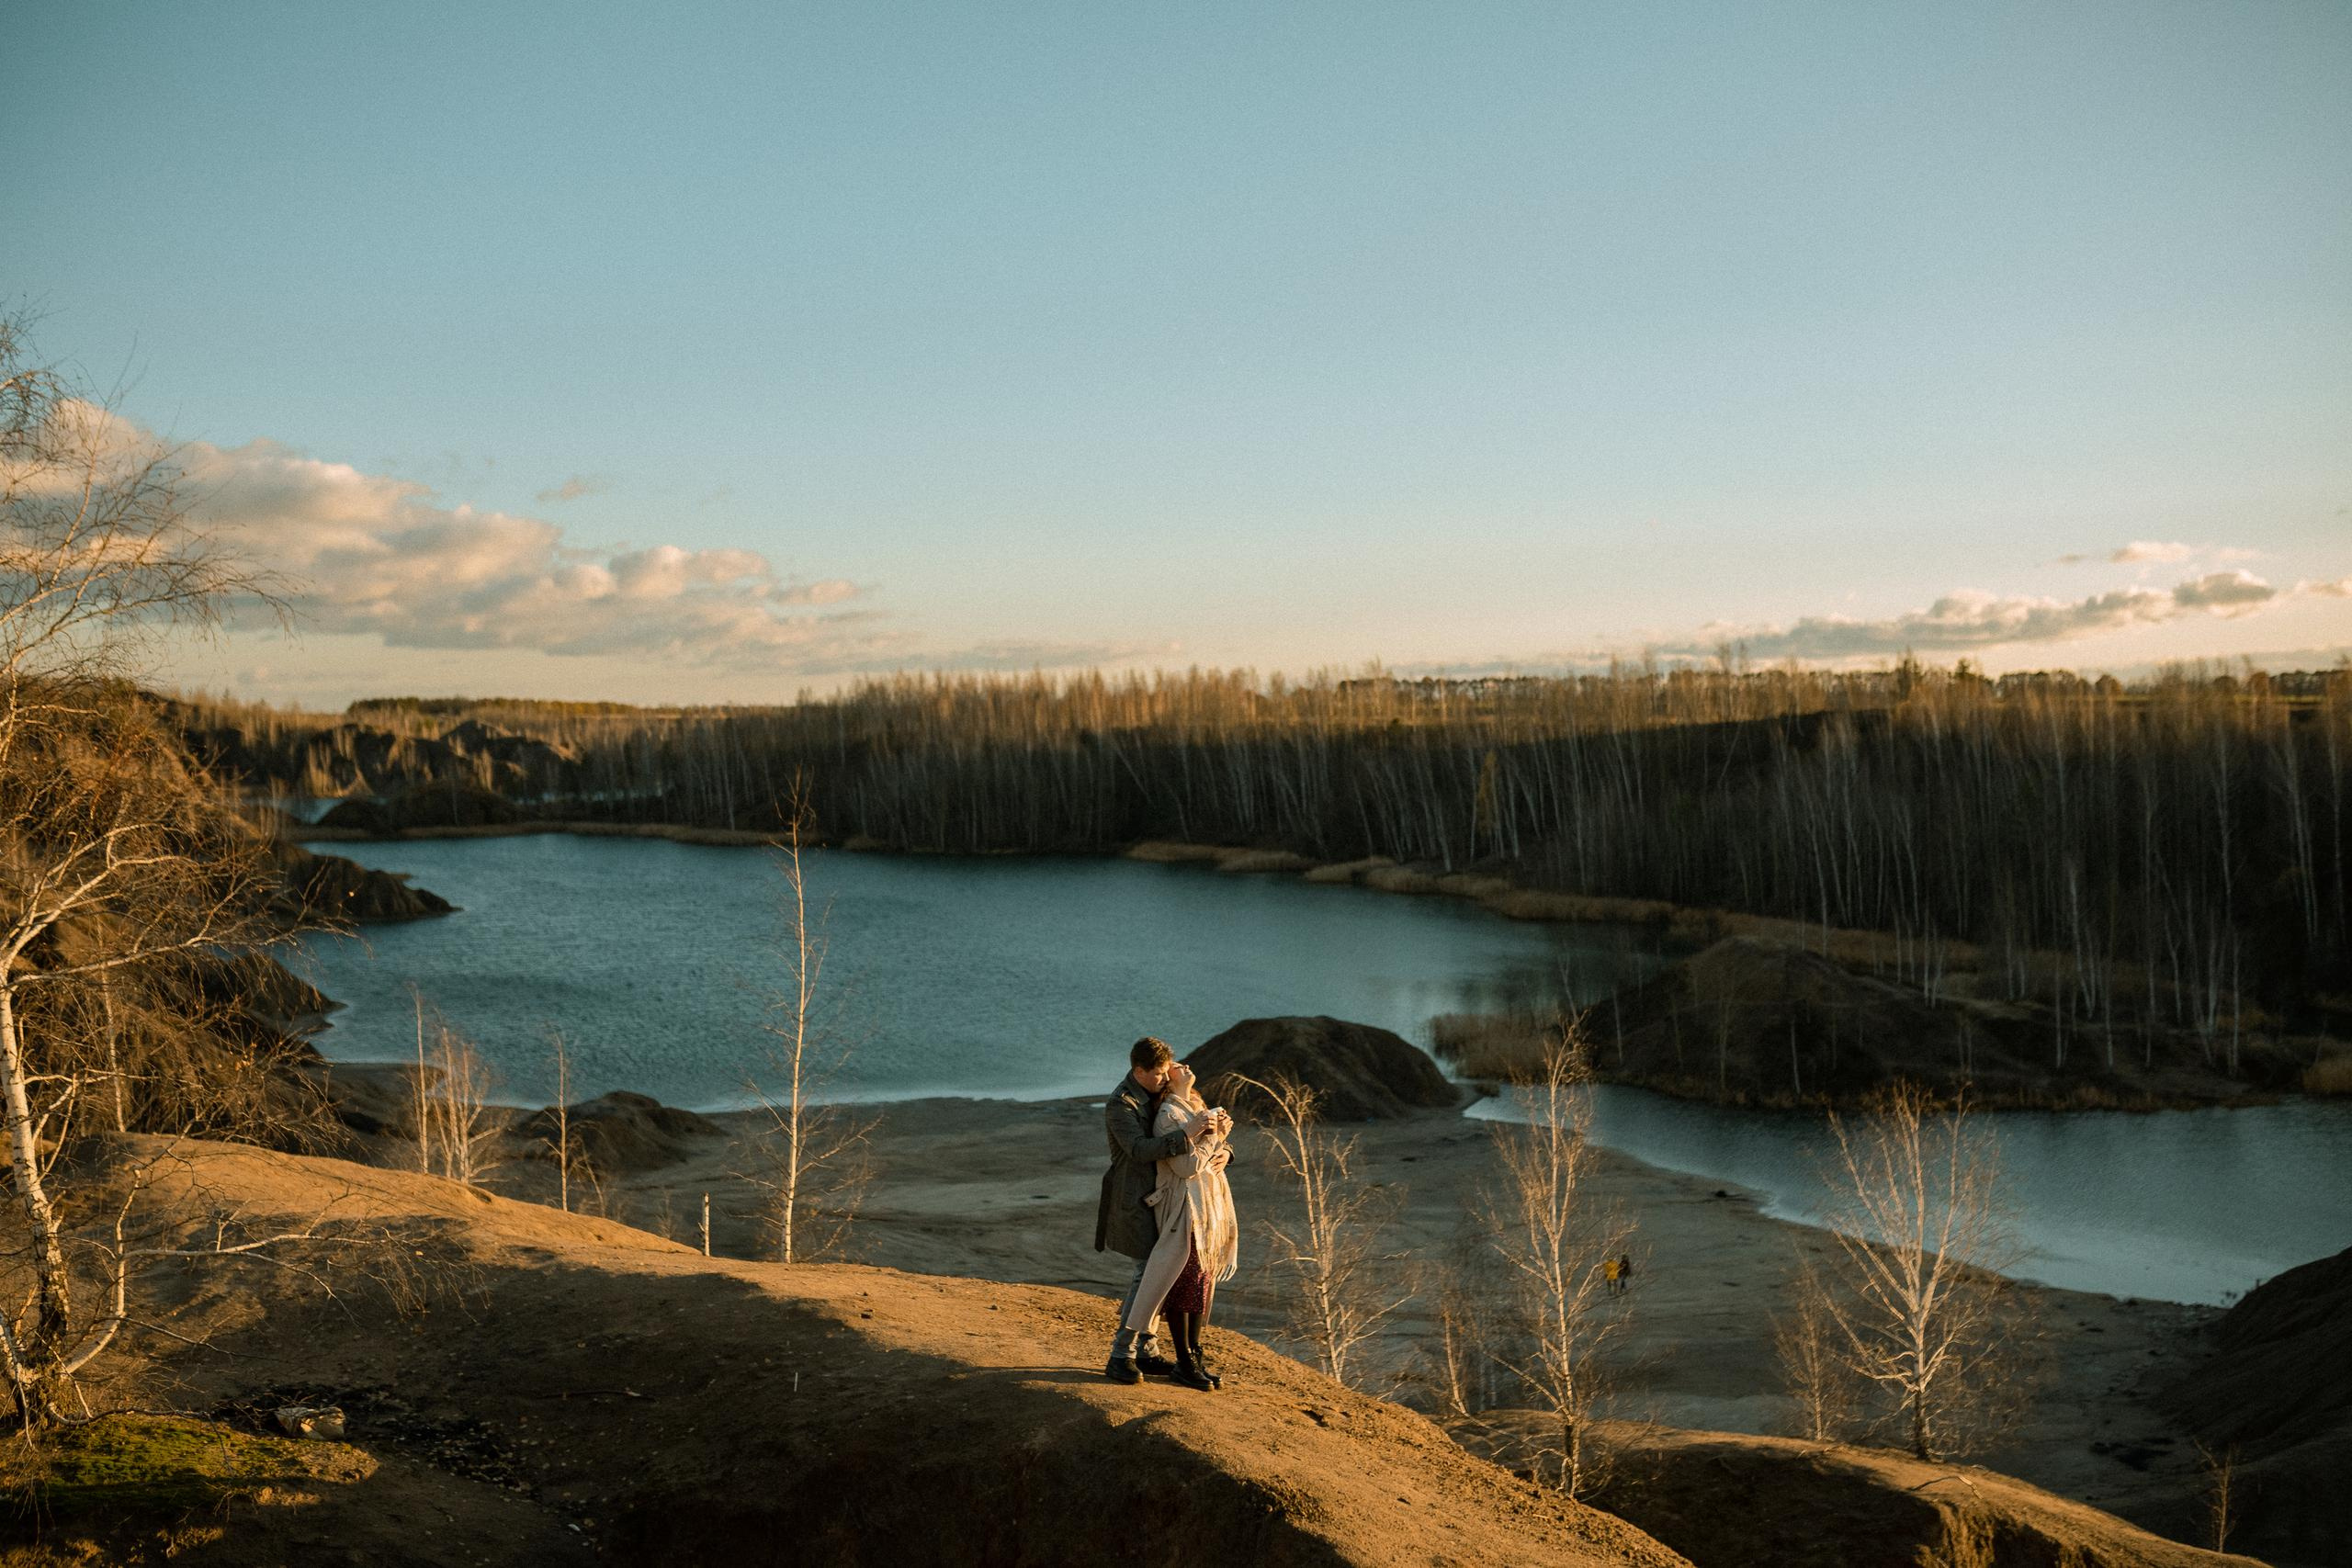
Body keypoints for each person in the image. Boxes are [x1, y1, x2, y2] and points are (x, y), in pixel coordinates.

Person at [1097, 1037, 1226, 1383]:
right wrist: (1188, 1132)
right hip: (1137, 1198)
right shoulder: (1120, 1105)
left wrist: (1226, 1151)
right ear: (1138, 1071)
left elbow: (1205, 1136)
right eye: (1156, 1074)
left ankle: (1147, 1350)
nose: (1163, 1079)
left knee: (1164, 1274)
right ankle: (1120, 1354)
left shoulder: (1159, 1093)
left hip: (1167, 1199)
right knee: (1147, 1274)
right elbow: (1139, 1149)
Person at [1119, 1060, 1238, 1391]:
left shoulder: (1196, 1106)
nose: (1183, 1065)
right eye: (1173, 1066)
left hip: (1207, 1209)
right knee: (1182, 1284)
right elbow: (1188, 1167)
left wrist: (1225, 1146)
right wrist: (1216, 1140)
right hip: (1184, 1211)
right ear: (1167, 1083)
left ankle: (1194, 1357)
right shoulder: (1168, 1116)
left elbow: (1212, 1156)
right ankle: (1184, 1360)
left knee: (1201, 1283)